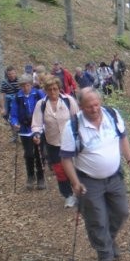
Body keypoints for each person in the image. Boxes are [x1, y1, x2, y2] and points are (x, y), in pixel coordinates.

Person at [60, 88, 130, 261]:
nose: (94, 109)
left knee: (121, 212)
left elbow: (123, 138)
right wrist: (74, 183)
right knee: (97, 219)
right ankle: (104, 254)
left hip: (114, 176)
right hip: (89, 180)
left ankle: (109, 240)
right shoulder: (73, 126)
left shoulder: (112, 115)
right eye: (89, 107)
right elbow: (65, 158)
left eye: (96, 104)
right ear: (80, 107)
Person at [32, 77, 79, 207]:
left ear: (59, 89)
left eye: (55, 89)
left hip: (71, 142)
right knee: (60, 171)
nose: (52, 92)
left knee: (75, 168)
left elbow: (77, 118)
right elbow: (36, 123)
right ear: (45, 90)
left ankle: (79, 192)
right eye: (49, 89)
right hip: (53, 143)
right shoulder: (41, 104)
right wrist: (36, 134)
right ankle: (68, 195)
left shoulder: (68, 101)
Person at [9, 74, 46, 190]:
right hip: (24, 130)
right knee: (29, 154)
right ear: (20, 86)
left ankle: (41, 178)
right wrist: (15, 123)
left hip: (38, 127)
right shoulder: (18, 97)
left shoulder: (38, 94)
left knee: (39, 153)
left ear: (31, 84)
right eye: (23, 85)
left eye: (28, 85)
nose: (26, 87)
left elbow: (45, 108)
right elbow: (13, 114)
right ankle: (30, 176)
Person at [0, 66, 20, 143]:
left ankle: (20, 132)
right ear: (7, 74)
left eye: (13, 73)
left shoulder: (19, 81)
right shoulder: (4, 82)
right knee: (7, 116)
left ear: (15, 73)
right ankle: (14, 133)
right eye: (9, 74)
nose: (11, 75)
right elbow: (2, 95)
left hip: (18, 100)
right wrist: (2, 107)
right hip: (8, 100)